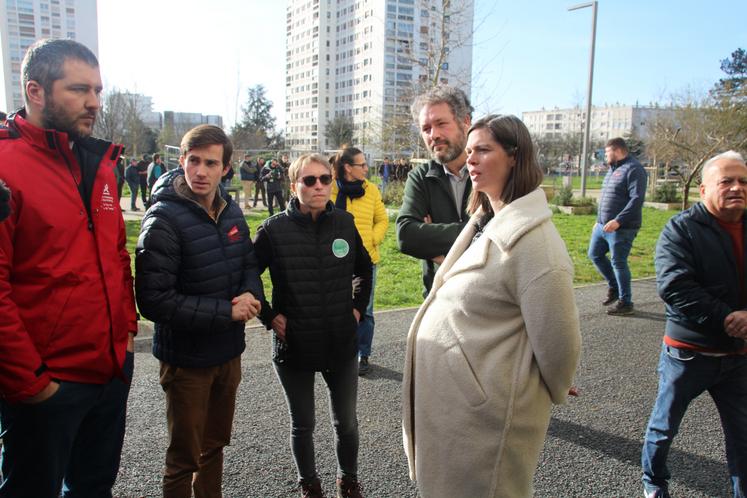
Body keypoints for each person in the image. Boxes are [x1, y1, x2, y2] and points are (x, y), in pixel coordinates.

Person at [402, 114, 582, 498]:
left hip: (484, 421)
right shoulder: (484, 220)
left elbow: (559, 342)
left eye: (483, 149)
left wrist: (557, 384)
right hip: (456, 414)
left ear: (515, 157)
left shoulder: (536, 244)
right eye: (469, 151)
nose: (471, 159)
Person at [0, 38, 137, 497]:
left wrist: (127, 336)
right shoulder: (5, 167)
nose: (95, 102)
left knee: (95, 488)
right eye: (79, 90)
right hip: (46, 384)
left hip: (109, 371)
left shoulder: (97, 163)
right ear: (35, 91)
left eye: (97, 90)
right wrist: (33, 384)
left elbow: (117, 254)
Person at [135, 124, 264, 498]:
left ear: (226, 168)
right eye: (194, 161)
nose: (201, 171)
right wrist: (226, 311)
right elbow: (154, 301)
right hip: (187, 360)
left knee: (214, 446)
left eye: (211, 163)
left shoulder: (230, 209)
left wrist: (250, 295)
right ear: (182, 161)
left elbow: (248, 265)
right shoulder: (163, 219)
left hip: (228, 353)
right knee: (183, 458)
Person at [253, 153, 373, 498]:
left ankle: (348, 481)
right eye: (309, 180)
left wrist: (355, 309)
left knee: (346, 424)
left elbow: (364, 269)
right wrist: (269, 315)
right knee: (303, 424)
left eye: (324, 179)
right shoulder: (273, 230)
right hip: (295, 344)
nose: (318, 186)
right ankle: (310, 486)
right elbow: (247, 276)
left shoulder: (345, 224)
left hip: (340, 341)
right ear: (294, 186)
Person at [641, 151, 747, 498]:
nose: (737, 188)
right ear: (703, 190)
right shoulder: (681, 229)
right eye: (726, 181)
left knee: (742, 435)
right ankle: (654, 483)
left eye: (743, 181)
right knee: (664, 427)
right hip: (689, 354)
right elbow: (675, 287)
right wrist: (726, 317)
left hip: (739, 356)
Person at [396, 85, 473, 297]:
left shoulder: (489, 172)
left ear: (465, 121)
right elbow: (406, 236)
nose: (434, 134)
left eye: (441, 124)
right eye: (426, 128)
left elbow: (502, 236)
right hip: (438, 299)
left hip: (487, 299)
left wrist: (434, 243)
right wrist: (475, 233)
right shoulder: (420, 177)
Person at [330, 147, 388, 375]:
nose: (366, 168)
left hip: (366, 262)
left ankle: (363, 355)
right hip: (334, 261)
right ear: (347, 168)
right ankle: (339, 352)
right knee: (337, 308)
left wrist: (372, 239)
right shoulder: (330, 189)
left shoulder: (371, 190)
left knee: (365, 311)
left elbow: (382, 219)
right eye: (361, 164)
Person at [588, 137, 647, 316]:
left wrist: (618, 221)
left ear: (617, 150)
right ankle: (614, 287)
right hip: (602, 227)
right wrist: (598, 221)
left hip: (622, 228)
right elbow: (609, 198)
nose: (605, 156)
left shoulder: (634, 169)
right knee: (595, 254)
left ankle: (626, 302)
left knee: (618, 262)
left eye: (606, 152)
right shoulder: (613, 170)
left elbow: (636, 199)